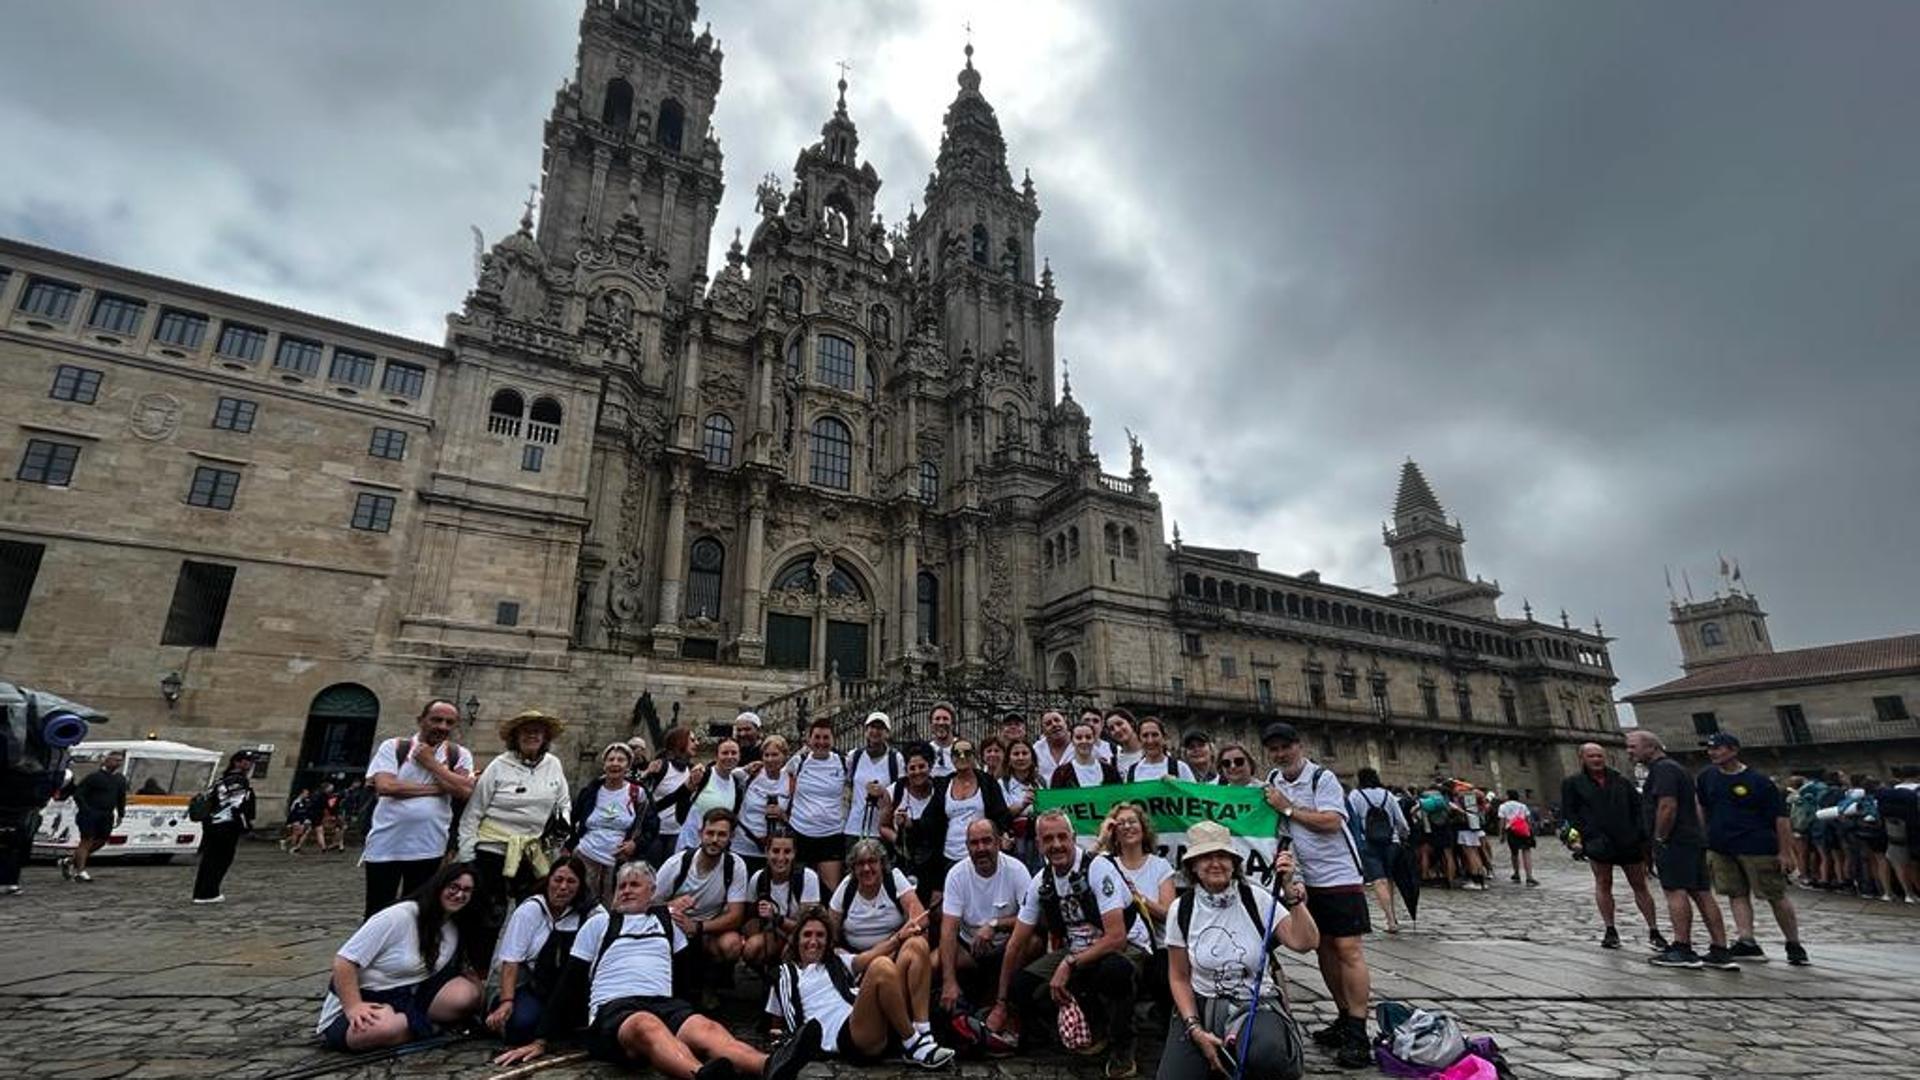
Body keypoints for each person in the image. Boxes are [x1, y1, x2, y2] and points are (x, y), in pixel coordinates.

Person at [492, 861, 819, 1080]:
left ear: (652, 892)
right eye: (622, 886)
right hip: (616, 1010)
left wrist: (689, 1003)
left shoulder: (666, 922)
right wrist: (542, 1038)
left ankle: (769, 1066)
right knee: (647, 1026)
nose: (626, 890)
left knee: (705, 1028)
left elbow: (685, 971)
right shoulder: (599, 923)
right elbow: (571, 981)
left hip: (664, 1002)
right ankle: (698, 1075)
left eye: (635, 885)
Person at [986, 810, 1144, 1079]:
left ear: (1073, 838)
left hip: (1124, 947)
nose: (1056, 845)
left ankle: (1123, 1043)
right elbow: (1015, 945)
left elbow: (1116, 938)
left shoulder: (1098, 868)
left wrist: (1069, 964)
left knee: (1113, 970)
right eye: (1048, 839)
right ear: (1038, 844)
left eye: (1062, 837)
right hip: (1077, 950)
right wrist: (1001, 1003)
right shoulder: (1041, 881)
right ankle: (1080, 1025)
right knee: (1021, 987)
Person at [1160, 821, 1318, 1080]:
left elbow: (1306, 942)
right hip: (1203, 1005)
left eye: (1222, 856)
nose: (1215, 863)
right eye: (1205, 857)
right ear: (1193, 867)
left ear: (1234, 863)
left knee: (1267, 1055)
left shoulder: (1256, 898)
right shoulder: (1182, 909)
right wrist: (1194, 1028)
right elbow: (1178, 976)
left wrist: (1291, 892)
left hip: (1256, 1002)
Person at [1261, 722, 1371, 1069]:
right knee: (1323, 948)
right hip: (1306, 880)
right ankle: (1343, 1016)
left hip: (1339, 875)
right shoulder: (1273, 780)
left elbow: (1331, 822)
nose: (1280, 754)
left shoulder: (1321, 778)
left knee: (1348, 949)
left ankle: (1359, 1030)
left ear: (1299, 746)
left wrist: (1288, 807)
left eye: (1285, 747)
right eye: (1274, 749)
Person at [318, 861, 485, 1051]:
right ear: (439, 886)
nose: (459, 894)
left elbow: (465, 969)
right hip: (367, 996)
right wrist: (354, 1006)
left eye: (467, 890)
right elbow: (344, 961)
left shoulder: (452, 926)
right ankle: (421, 1027)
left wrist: (482, 999)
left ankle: (416, 1024)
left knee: (467, 996)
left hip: (412, 995)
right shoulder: (398, 916)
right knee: (384, 1028)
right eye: (453, 887)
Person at [766, 905, 956, 1067]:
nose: (813, 941)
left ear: (828, 940)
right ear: (797, 939)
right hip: (850, 1037)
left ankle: (923, 1032)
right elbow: (777, 1024)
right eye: (807, 935)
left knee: (916, 945)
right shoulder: (785, 975)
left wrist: (900, 937)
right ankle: (913, 1043)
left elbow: (869, 955)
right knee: (881, 967)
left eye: (820, 935)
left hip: (877, 1019)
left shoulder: (837, 961)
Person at [458, 710, 573, 968]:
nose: (532, 734)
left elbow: (563, 806)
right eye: (526, 730)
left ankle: (523, 969)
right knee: (488, 915)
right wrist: (467, 856)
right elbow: (473, 812)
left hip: (533, 853)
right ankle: (478, 970)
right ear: (515, 736)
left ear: (545, 737)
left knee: (532, 912)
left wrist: (554, 843)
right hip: (493, 850)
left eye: (538, 730)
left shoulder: (553, 765)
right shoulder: (499, 766)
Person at [1627, 730, 1737, 970]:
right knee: (1701, 892)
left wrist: (1660, 837)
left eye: (1633, 746)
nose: (1629, 751)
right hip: (1691, 838)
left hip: (1674, 840)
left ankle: (1683, 948)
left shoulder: (1663, 770)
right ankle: (1720, 950)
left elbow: (1667, 805)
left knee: (1675, 891)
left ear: (1651, 747)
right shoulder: (1676, 768)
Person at [1695, 733, 1808, 965]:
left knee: (1775, 894)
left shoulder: (1759, 781)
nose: (1712, 752)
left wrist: (1785, 851)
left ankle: (1794, 944)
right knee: (1735, 893)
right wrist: (1704, 836)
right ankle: (1747, 941)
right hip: (1722, 846)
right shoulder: (1707, 777)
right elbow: (1702, 807)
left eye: (1717, 748)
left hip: (1757, 846)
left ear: (1734, 750)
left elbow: (1781, 819)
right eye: (1710, 749)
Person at [364, 700, 477, 918]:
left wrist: (430, 764)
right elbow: (386, 786)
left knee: (418, 910)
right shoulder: (395, 747)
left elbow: (465, 791)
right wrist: (441, 788)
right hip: (385, 845)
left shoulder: (458, 754)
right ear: (421, 720)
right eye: (436, 720)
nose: (443, 726)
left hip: (429, 847)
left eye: (449, 722)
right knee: (377, 912)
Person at [1559, 742, 1665, 951]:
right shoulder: (1573, 783)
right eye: (1591, 756)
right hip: (1598, 841)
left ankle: (1654, 930)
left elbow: (1638, 808)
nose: (1597, 760)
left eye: (1599, 756)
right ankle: (1610, 929)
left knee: (1639, 884)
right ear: (1582, 759)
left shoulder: (1620, 781)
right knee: (1603, 883)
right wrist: (1582, 836)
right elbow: (1570, 813)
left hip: (1627, 839)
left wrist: (1641, 834)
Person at [488, 855, 596, 1046]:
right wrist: (507, 1001)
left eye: (571, 881)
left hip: (562, 986)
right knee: (522, 1026)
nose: (563, 887)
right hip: (524, 984)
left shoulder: (586, 912)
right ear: (549, 880)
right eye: (558, 880)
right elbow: (510, 961)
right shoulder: (529, 910)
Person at [655, 808, 751, 1000]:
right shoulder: (677, 864)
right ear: (701, 834)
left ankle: (710, 986)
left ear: (731, 837)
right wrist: (671, 906)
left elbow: (736, 915)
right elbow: (647, 904)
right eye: (710, 833)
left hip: (708, 927)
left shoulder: (735, 865)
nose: (715, 840)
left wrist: (698, 927)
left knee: (732, 944)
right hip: (674, 924)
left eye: (722, 834)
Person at [938, 819, 1032, 1014]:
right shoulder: (956, 875)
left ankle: (1001, 1004)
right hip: (969, 949)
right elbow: (948, 930)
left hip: (1007, 947)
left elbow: (1032, 918)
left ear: (998, 842)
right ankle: (921, 1027)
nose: (981, 848)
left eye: (986, 841)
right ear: (967, 847)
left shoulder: (1017, 870)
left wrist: (995, 925)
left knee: (1033, 942)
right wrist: (949, 981)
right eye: (974, 843)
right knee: (930, 962)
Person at [911, 738, 1012, 906]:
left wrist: (1004, 834)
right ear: (951, 758)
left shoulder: (987, 783)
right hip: (949, 856)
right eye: (957, 753)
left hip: (980, 853)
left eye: (967, 752)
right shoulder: (944, 785)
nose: (962, 756)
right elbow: (929, 822)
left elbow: (1001, 815)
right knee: (950, 905)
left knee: (980, 902)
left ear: (974, 757)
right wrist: (908, 823)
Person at [1096, 801, 1175, 1015]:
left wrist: (1137, 898)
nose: (1128, 827)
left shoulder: (1160, 866)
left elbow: (1168, 915)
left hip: (1156, 947)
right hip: (1119, 942)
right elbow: (1083, 869)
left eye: (1133, 821)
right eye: (1120, 824)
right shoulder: (1105, 864)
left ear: (1143, 827)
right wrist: (1101, 839)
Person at [568, 742, 658, 901]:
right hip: (586, 856)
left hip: (618, 862)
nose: (615, 764)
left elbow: (651, 826)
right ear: (604, 764)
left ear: (628, 765)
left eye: (620, 760)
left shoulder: (638, 793)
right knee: (581, 903)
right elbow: (573, 819)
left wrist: (635, 844)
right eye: (611, 759)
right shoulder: (590, 791)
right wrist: (571, 847)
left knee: (613, 905)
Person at [829, 838, 931, 959]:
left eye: (872, 861)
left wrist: (894, 941)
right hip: (855, 958)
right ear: (854, 868)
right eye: (860, 863)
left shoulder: (894, 879)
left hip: (893, 953)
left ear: (882, 864)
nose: (866, 868)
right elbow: (831, 932)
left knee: (918, 943)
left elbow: (921, 920)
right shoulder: (847, 887)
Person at [785, 717, 850, 892]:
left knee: (830, 890)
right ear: (809, 739)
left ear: (833, 739)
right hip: (800, 832)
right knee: (797, 887)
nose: (821, 742)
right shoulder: (798, 762)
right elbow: (776, 777)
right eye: (817, 737)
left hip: (831, 835)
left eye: (826, 738)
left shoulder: (843, 762)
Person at [744, 831, 823, 968]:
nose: (781, 857)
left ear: (794, 854)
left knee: (790, 952)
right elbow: (749, 922)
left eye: (787, 852)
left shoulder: (807, 877)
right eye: (775, 851)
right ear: (767, 852)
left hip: (802, 936)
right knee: (752, 947)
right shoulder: (758, 879)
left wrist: (776, 918)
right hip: (774, 934)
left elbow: (808, 926)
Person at [192, 750, 259, 904]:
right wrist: (246, 826)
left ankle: (202, 892)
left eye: (250, 761)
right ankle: (209, 893)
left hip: (213, 824)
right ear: (236, 762)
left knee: (210, 859)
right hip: (225, 825)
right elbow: (237, 805)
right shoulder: (238, 780)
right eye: (245, 761)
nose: (248, 764)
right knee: (220, 859)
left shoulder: (221, 779)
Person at [1348, 767, 1408, 933]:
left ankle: (1390, 920)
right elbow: (1401, 822)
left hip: (1368, 843)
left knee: (1378, 880)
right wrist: (1403, 835)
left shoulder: (1355, 796)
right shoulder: (1388, 795)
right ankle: (1393, 916)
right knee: (1389, 879)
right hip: (1391, 842)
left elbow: (1351, 820)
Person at [880, 744, 944, 889]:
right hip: (905, 861)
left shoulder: (940, 790)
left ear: (930, 767)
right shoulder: (894, 792)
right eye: (912, 768)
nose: (917, 772)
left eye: (922, 767)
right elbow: (883, 826)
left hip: (935, 861)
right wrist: (898, 838)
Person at [59, 750, 127, 883]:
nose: (118, 763)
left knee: (101, 840)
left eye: (120, 760)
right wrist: (86, 809)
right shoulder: (94, 777)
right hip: (90, 813)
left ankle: (69, 861)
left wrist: (121, 813)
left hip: (107, 814)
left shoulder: (120, 779)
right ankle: (80, 871)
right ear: (106, 761)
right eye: (115, 760)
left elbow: (121, 797)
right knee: (87, 840)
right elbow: (78, 794)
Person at [670, 738, 748, 853]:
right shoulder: (703, 775)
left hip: (716, 848)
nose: (730, 756)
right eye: (725, 753)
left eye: (734, 753)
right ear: (716, 756)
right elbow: (680, 799)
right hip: (690, 845)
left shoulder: (736, 783)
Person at [843, 712, 906, 847]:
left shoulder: (895, 759)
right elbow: (846, 786)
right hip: (854, 828)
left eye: (880, 728)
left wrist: (883, 793)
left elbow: (900, 792)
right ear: (866, 731)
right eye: (872, 727)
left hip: (881, 831)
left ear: (887, 733)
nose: (875, 731)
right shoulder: (854, 756)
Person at [735, 734, 792, 874]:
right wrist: (745, 768)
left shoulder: (791, 781)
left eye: (775, 755)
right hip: (743, 844)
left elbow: (798, 814)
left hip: (775, 850)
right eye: (766, 755)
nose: (770, 759)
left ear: (784, 756)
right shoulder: (751, 774)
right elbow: (727, 772)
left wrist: (783, 816)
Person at [642, 726, 698, 864]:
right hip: (655, 833)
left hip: (678, 833)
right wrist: (646, 774)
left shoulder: (692, 770)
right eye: (692, 740)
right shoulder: (661, 766)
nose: (697, 743)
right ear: (680, 742)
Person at [1000, 740, 1044, 869]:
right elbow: (1002, 815)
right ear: (1009, 758)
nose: (1021, 757)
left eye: (1025, 753)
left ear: (1032, 757)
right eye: (1016, 754)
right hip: (1016, 843)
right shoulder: (1002, 784)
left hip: (1038, 841)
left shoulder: (1041, 782)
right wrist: (1023, 804)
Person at [1050, 717, 1121, 790]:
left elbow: (1119, 797)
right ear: (1072, 741)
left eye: (1088, 737)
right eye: (1078, 738)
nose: (1084, 741)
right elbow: (1055, 799)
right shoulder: (1061, 774)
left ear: (1094, 740)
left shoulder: (1110, 771)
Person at [1124, 718, 1195, 783]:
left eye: (1155, 735)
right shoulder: (1132, 772)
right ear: (1139, 740)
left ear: (1164, 738)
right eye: (1145, 736)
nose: (1150, 741)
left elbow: (1195, 794)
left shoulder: (1180, 767)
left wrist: (1179, 784)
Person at [1496, 789, 1540, 887]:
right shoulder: (1522, 806)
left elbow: (1502, 821)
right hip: (1523, 830)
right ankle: (1529, 877)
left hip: (1512, 831)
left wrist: (1501, 834)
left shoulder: (1503, 806)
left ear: (1508, 796)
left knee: (1514, 853)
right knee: (1526, 852)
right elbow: (1527, 820)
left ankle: (1516, 873)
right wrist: (1530, 831)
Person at [1032, 710, 1074, 781]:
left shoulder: (1081, 744)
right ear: (1043, 731)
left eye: (1057, 720)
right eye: (1048, 724)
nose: (1054, 725)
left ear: (1065, 723)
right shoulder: (1037, 749)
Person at [926, 703, 961, 779]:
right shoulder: (925, 750)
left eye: (945, 719)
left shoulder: (962, 748)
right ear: (931, 724)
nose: (941, 723)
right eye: (937, 719)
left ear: (952, 724)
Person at [1105, 710, 1144, 775]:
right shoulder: (1114, 762)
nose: (1117, 730)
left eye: (1119, 724)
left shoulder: (1153, 753)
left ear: (1131, 723)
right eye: (1112, 729)